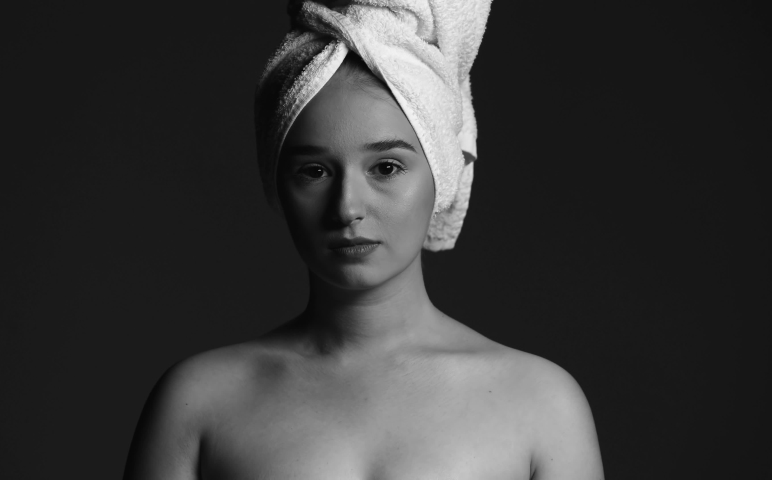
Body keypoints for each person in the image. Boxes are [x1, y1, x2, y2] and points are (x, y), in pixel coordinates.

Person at [124, 2, 603, 479]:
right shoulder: (198, 403)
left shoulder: (542, 404)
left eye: (386, 168)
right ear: (277, 183)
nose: (347, 207)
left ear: (442, 172)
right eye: (314, 171)